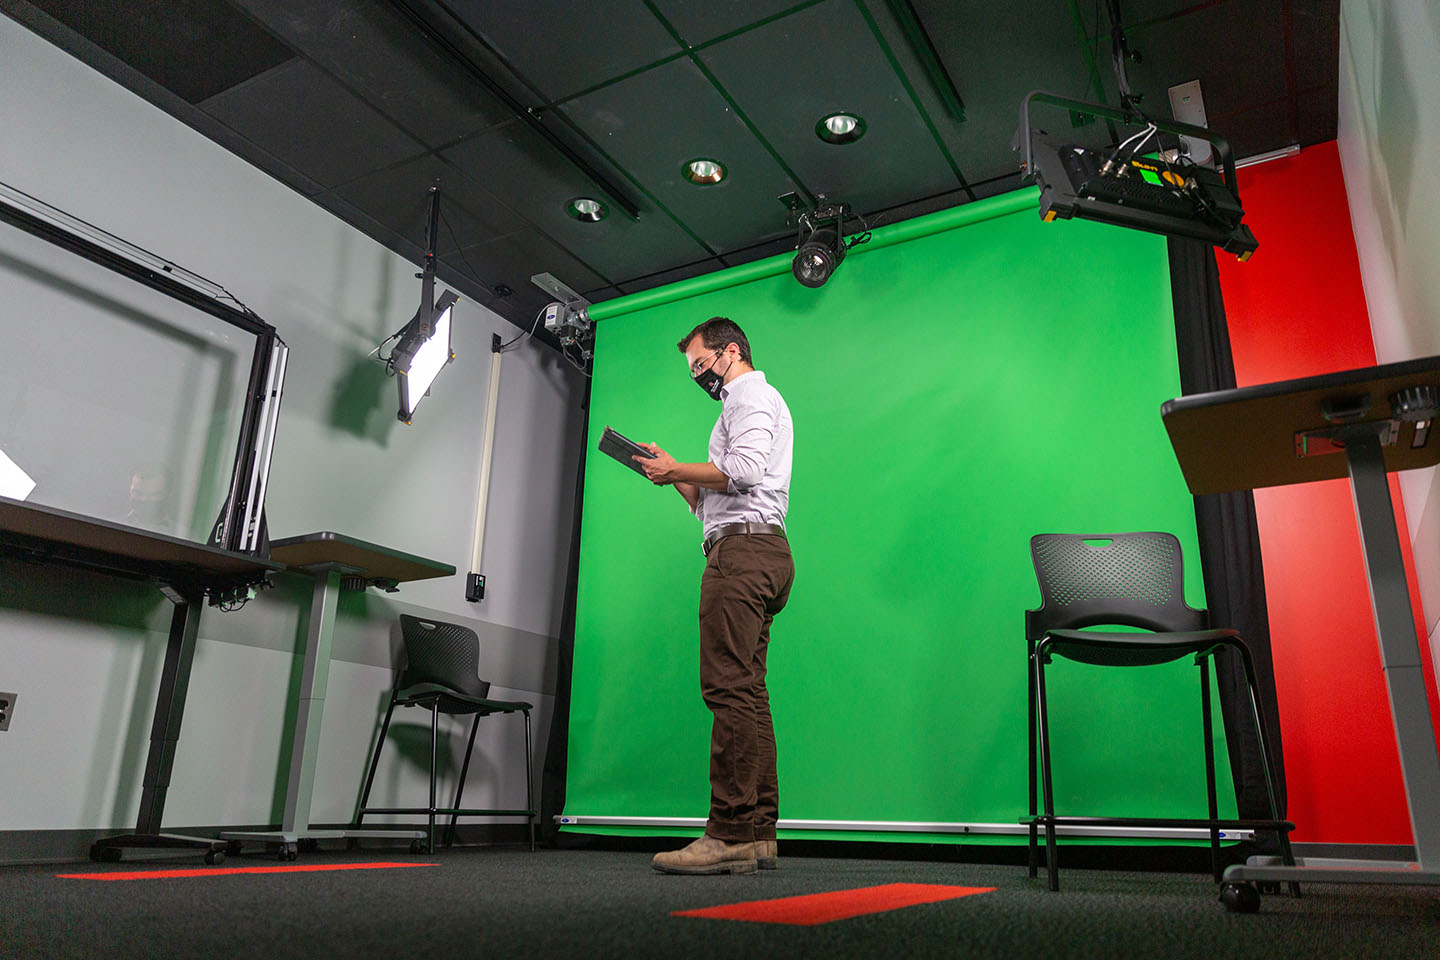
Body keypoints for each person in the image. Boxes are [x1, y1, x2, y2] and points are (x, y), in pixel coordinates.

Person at [633, 316, 795, 876]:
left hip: (742, 558)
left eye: (703, 365)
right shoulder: (749, 405)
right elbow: (711, 506)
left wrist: (683, 466)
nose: (700, 376)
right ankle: (757, 834)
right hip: (758, 548)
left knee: (728, 690)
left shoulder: (749, 396)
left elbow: (745, 472)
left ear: (731, 353)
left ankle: (728, 833)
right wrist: (674, 474)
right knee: (749, 693)